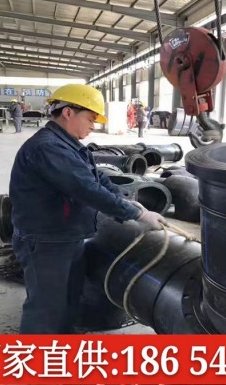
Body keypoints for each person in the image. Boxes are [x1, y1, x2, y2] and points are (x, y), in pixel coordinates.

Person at [9, 84, 167, 334]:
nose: (93, 125)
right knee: (46, 308)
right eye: (91, 118)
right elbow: (86, 189)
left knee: (69, 299)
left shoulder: (70, 145)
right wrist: (138, 214)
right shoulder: (48, 147)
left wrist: (125, 200)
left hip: (67, 235)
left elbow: (97, 178)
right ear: (68, 112)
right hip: (46, 240)